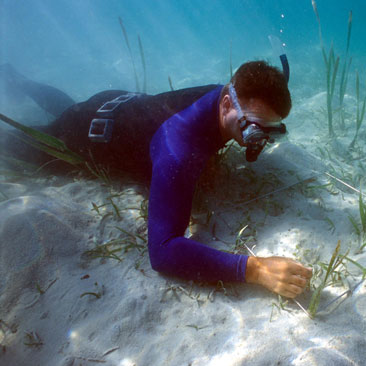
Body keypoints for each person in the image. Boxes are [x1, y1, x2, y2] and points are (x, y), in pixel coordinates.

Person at [0, 61, 312, 299]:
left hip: (120, 104)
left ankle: (20, 81)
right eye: (257, 130)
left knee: (67, 106)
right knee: (20, 144)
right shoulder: (178, 148)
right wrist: (254, 269)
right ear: (228, 104)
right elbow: (163, 252)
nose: (261, 141)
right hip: (86, 134)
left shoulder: (233, 94)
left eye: (273, 132)